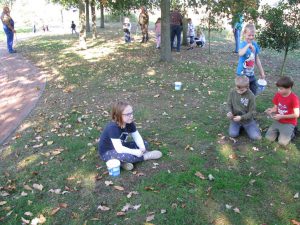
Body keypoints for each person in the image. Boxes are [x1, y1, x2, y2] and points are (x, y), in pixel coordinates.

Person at [98, 102, 162, 171]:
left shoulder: (129, 123)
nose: (131, 116)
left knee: (145, 143)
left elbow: (136, 136)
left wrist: (142, 147)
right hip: (108, 152)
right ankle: (145, 156)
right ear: (118, 115)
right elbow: (119, 149)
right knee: (126, 156)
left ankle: (122, 163)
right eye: (128, 114)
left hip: (121, 146)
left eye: (131, 113)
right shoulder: (112, 127)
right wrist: (135, 152)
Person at [265, 76, 299, 146]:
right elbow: (275, 107)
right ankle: (281, 132)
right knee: (268, 138)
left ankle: (292, 132)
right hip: (278, 120)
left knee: (282, 143)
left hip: (289, 123)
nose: (278, 90)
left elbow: (297, 114)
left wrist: (282, 116)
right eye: (278, 88)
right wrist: (271, 110)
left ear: (289, 88)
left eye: (281, 89)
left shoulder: (294, 99)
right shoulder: (278, 95)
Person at [227, 76, 261, 140]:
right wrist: (230, 112)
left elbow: (252, 112)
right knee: (233, 134)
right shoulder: (232, 92)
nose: (239, 92)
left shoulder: (251, 96)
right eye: (237, 89)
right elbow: (229, 104)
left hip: (247, 120)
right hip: (235, 119)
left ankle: (251, 125)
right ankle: (239, 126)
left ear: (247, 87)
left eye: (242, 90)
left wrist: (241, 117)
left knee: (256, 137)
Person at [236, 23, 265, 95]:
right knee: (243, 93)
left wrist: (262, 72)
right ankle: (240, 105)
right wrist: (248, 45)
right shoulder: (243, 44)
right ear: (244, 34)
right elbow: (240, 53)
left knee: (253, 92)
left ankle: (250, 105)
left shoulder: (255, 45)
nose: (251, 37)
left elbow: (257, 59)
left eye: (253, 35)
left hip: (251, 74)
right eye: (249, 35)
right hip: (242, 74)